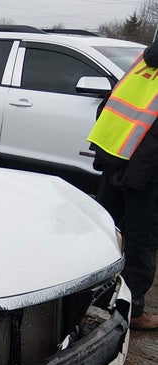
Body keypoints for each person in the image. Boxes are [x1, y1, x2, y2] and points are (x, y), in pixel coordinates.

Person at [88, 42, 158, 330]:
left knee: (104, 227)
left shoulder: (145, 58)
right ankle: (132, 309)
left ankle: (85, 292)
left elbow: (109, 105)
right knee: (142, 237)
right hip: (144, 171)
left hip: (117, 155)